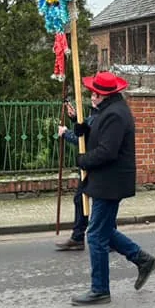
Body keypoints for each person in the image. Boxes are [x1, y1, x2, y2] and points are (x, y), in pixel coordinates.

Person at [69, 71, 155, 306]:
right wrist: (82, 130)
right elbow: (98, 136)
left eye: (92, 93)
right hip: (105, 181)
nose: (90, 96)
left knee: (96, 235)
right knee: (104, 230)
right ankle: (142, 259)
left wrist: (83, 160)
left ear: (101, 95)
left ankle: (100, 289)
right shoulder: (107, 110)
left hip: (111, 183)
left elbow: (108, 151)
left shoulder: (116, 115)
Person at [54, 99, 95, 251]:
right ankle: (78, 237)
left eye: (95, 94)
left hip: (94, 165)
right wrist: (75, 118)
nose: (92, 98)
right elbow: (85, 128)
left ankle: (108, 238)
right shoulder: (97, 113)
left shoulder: (101, 115)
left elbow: (84, 139)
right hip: (89, 165)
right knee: (81, 200)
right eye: (92, 94)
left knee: (99, 203)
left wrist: (66, 133)